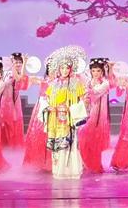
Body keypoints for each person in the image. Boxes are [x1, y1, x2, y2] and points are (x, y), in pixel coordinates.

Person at [44, 45, 87, 179]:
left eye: (67, 68)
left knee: (70, 145)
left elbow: (83, 101)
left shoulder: (76, 83)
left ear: (71, 69)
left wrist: (72, 110)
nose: (64, 71)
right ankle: (59, 170)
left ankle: (71, 171)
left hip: (69, 119)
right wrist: (49, 108)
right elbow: (47, 100)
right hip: (55, 119)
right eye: (62, 68)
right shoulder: (53, 84)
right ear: (58, 69)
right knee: (58, 145)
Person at [79, 57, 116, 173]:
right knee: (84, 138)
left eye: (98, 70)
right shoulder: (89, 82)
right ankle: (85, 162)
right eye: (93, 70)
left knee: (95, 141)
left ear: (102, 71)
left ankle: (96, 165)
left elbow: (95, 93)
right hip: (88, 113)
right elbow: (85, 95)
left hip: (99, 115)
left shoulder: (105, 83)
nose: (95, 73)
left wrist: (85, 92)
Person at [23, 61, 53, 171]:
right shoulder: (42, 80)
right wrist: (25, 63)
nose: (53, 71)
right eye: (51, 68)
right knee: (38, 134)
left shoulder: (60, 82)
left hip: (53, 108)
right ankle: (38, 162)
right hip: (41, 108)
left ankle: (50, 163)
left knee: (51, 135)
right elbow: (24, 78)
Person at [1, 52, 29, 147]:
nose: (18, 64)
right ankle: (3, 144)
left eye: (20, 62)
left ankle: (14, 145)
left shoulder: (21, 74)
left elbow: (18, 78)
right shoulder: (6, 73)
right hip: (4, 101)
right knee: (4, 121)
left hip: (14, 102)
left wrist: (24, 62)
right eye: (16, 62)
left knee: (14, 121)